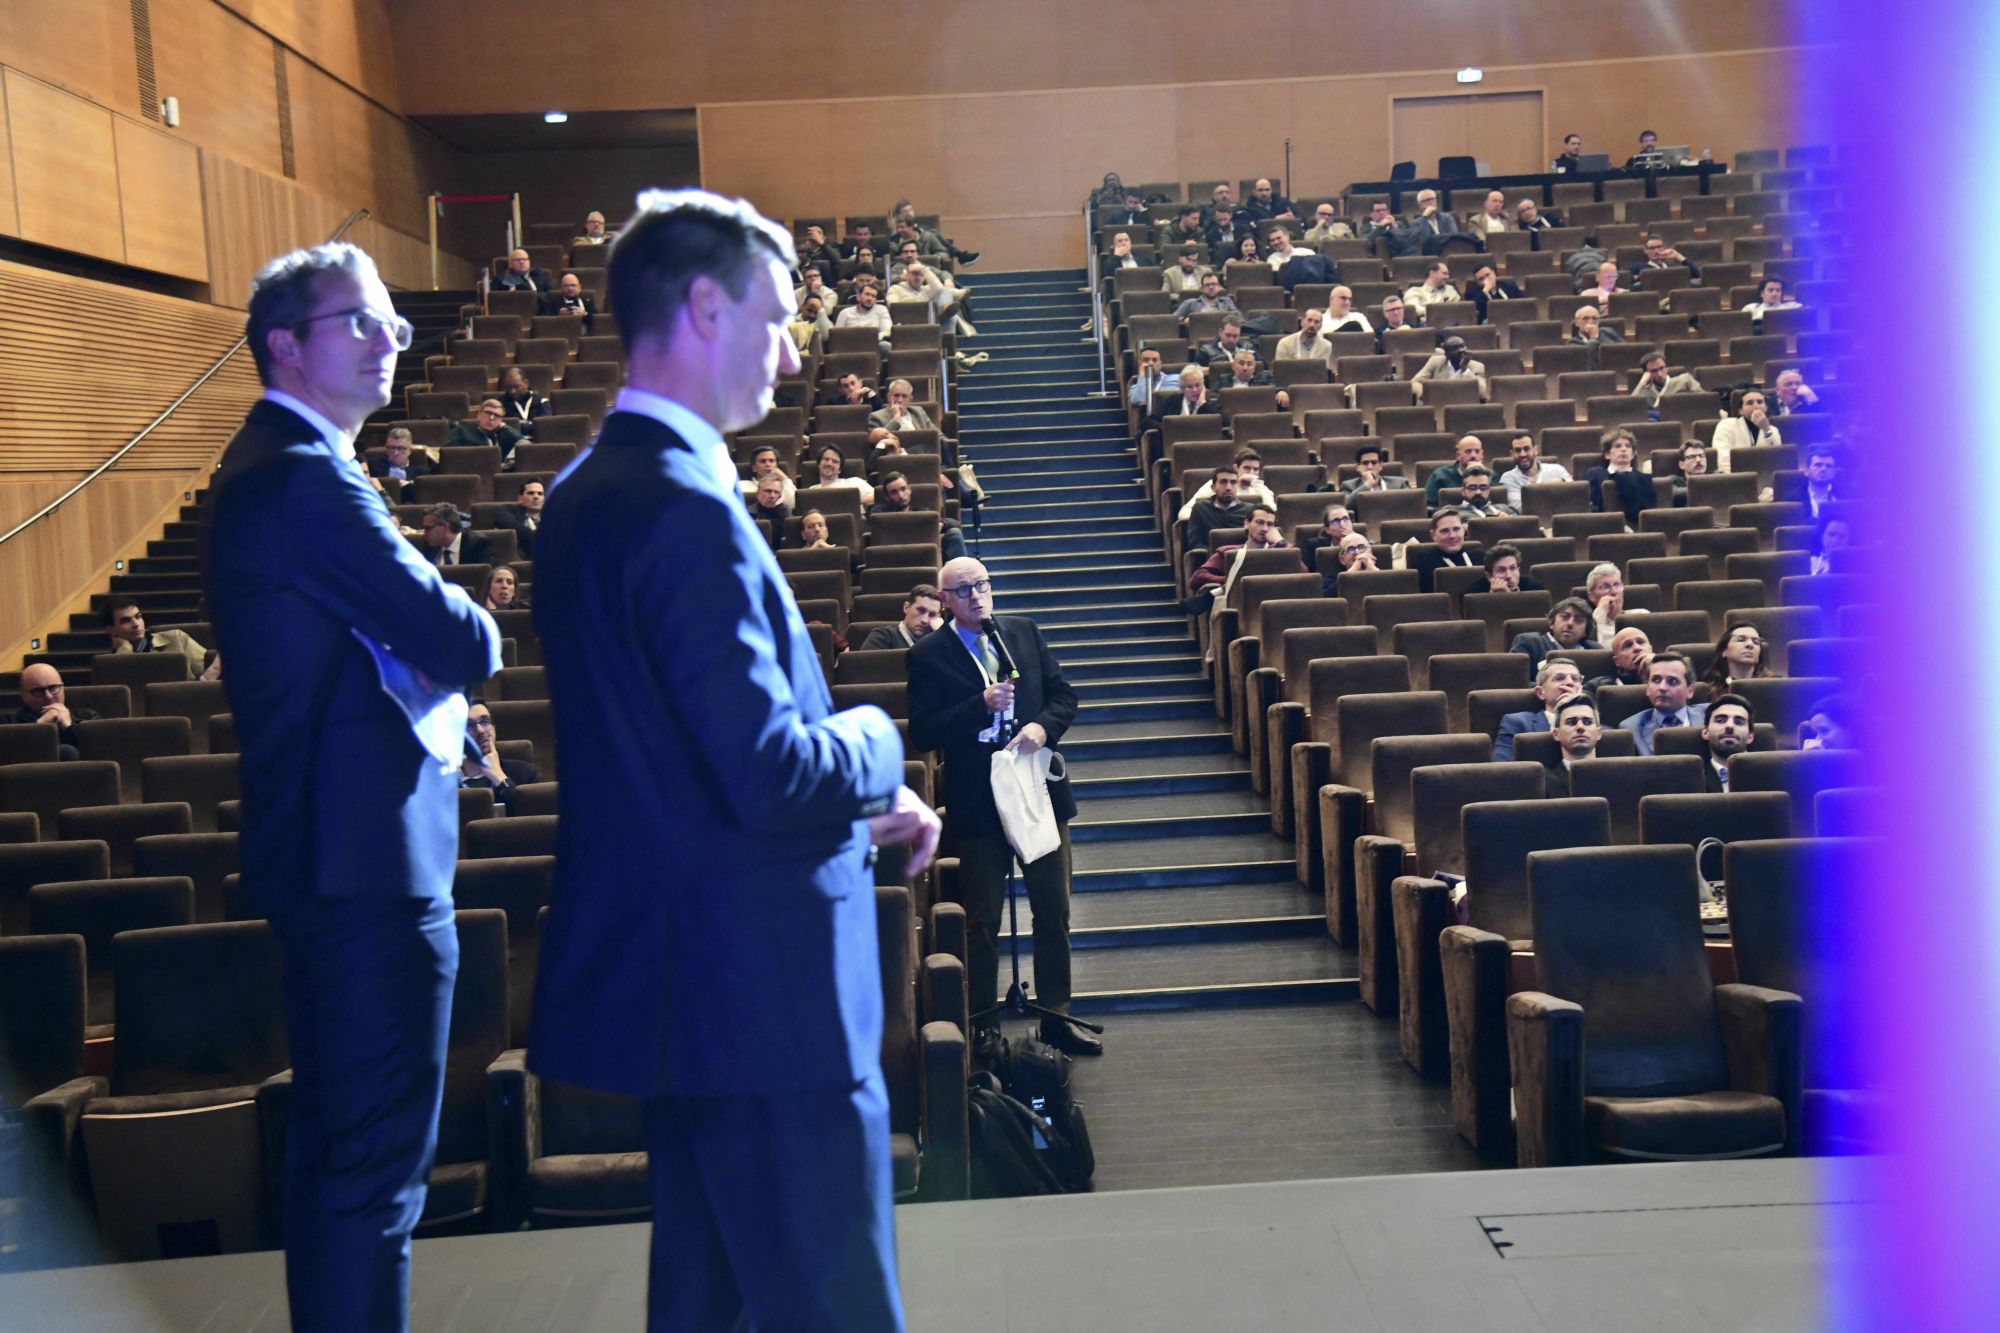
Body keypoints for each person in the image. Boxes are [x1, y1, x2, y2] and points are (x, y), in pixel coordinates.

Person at [529, 191, 937, 1330]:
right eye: (777, 318)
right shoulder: (683, 507)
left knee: (703, 1306)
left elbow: (671, 766)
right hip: (767, 994)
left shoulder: (582, 492)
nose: (795, 352)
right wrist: (880, 738)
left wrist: (849, 807)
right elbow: (767, 770)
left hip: (690, 992)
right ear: (706, 307)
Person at [201, 242, 502, 1330]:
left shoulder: (273, 466)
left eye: (394, 324)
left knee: (340, 1159)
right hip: (365, 864)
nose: (388, 341)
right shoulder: (305, 477)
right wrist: (444, 609)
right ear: (285, 343)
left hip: (333, 857)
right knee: (373, 1173)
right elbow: (467, 641)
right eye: (360, 321)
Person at [907, 557, 1093, 1059]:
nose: (976, 596)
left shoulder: (1022, 632)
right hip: (979, 799)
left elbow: (1064, 695)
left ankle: (1056, 1017)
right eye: (964, 589)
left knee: (1053, 910)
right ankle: (984, 1028)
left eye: (982, 585)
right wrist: (979, 706)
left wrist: (1042, 728)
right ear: (946, 600)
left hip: (1036, 791)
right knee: (983, 921)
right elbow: (923, 731)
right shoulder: (928, 655)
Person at [1495, 657, 1587, 761]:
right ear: (1541, 692)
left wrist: (1578, 706)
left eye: (1575, 679)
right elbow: (1503, 766)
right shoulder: (1517, 723)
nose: (1570, 683)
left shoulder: (1597, 727)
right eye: (1559, 678)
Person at [1618, 651, 1707, 754]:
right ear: (1647, 688)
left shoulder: (1709, 716)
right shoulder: (1631, 728)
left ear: (1690, 691)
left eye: (1672, 681)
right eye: (1656, 680)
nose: (1662, 687)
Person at [460, 698, 539, 810]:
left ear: (494, 729)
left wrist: (500, 778)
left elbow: (532, 815)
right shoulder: (442, 783)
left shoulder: (525, 774)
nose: (480, 730)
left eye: (484, 722)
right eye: (469, 725)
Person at [104, 599, 214, 679]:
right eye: (126, 621)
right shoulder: (107, 663)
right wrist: (125, 649)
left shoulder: (176, 638)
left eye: (138, 617)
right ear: (111, 630)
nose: (136, 624)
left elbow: (208, 670)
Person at [872, 472, 968, 562]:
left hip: (924, 553)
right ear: (887, 497)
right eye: (894, 492)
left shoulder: (922, 511)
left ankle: (960, 572)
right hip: (893, 554)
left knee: (954, 533)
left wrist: (942, 523)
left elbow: (957, 524)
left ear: (909, 490)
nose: (900, 495)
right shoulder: (879, 512)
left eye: (903, 489)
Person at [13, 664, 98, 760]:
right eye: (38, 691)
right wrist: (40, 726)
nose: (49, 696)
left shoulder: (89, 717)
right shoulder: (10, 724)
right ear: (23, 696)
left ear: (63, 688)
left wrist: (68, 726)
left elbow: (99, 752)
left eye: (53, 688)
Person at [1586, 427, 1658, 526]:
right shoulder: (1596, 474)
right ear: (1607, 454)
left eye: (1628, 446)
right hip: (1605, 525)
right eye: (1618, 446)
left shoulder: (1644, 479)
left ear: (1633, 454)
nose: (1623, 449)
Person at [1509, 597, 1600, 672]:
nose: (1570, 623)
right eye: (1565, 617)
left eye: (1579, 620)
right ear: (1551, 622)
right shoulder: (1529, 643)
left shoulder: (1594, 650)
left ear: (1586, 631)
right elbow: (1517, 681)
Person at [1180, 447, 1274, 519]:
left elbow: (1271, 513)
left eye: (1255, 469)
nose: (1251, 473)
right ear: (1236, 468)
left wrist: (1257, 484)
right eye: (1247, 468)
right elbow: (1184, 512)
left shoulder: (1260, 487)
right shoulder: (1218, 484)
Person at [1540, 693, 1603, 797]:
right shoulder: (1542, 781)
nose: (1580, 727)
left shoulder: (1617, 776)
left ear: (1599, 733)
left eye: (1587, 722)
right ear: (1556, 734)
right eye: (1571, 722)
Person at [1408, 507, 1481, 593]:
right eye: (1445, 531)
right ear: (1433, 535)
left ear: (1464, 531)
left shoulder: (1480, 558)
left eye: (1456, 529)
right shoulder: (1423, 562)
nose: (1452, 536)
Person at [1185, 463, 1254, 552]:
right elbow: (1195, 542)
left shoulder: (1249, 510)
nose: (1228, 487)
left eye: (1233, 482)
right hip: (1210, 556)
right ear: (1213, 487)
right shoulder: (1200, 508)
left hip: (1241, 556)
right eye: (1223, 482)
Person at [1496, 432, 1572, 510]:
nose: (1522, 454)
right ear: (1512, 454)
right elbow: (1520, 508)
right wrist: (1547, 486)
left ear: (1535, 450)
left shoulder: (1557, 470)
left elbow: (1573, 497)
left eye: (1526, 449)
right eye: (1518, 450)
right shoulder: (1508, 478)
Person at [1711, 390, 1783, 468]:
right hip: (1735, 473)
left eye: (1759, 402)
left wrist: (1766, 429)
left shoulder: (1772, 430)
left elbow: (1777, 458)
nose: (1756, 406)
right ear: (1741, 410)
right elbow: (1722, 458)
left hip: (1766, 472)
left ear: (1766, 408)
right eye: (1750, 403)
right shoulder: (1727, 425)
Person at [858, 584, 943, 650]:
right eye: (921, 610)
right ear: (906, 607)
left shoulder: (938, 640)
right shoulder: (882, 637)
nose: (925, 620)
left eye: (932, 615)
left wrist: (942, 633)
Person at [1698, 694, 1756, 791]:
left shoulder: (1771, 775)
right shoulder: (1693, 779)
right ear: (1706, 732)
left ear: (1750, 737)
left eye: (1739, 722)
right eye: (1720, 720)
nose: (1729, 726)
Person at [446, 398, 526, 468]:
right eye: (488, 413)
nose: (491, 418)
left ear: (500, 420)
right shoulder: (462, 431)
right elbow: (448, 455)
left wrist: (505, 428)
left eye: (497, 415)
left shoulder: (503, 436)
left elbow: (524, 445)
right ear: (479, 415)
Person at [414, 502, 493, 568]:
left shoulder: (479, 544)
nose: (425, 534)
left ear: (445, 528)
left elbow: (489, 574)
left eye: (428, 528)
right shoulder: (427, 547)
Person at [866, 378, 939, 446]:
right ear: (889, 397)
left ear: (910, 400)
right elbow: (879, 442)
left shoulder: (918, 412)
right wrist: (896, 418)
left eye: (904, 396)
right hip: (895, 452)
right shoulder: (876, 417)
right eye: (896, 395)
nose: (900, 400)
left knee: (941, 442)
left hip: (922, 451)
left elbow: (937, 434)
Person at [1412, 335, 1488, 401]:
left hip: (1464, 404)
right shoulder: (1436, 361)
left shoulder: (1477, 366)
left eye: (1462, 346)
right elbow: (1415, 382)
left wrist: (1465, 369)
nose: (1461, 350)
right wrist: (1426, 396)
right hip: (1439, 402)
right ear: (1446, 354)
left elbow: (1483, 393)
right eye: (1455, 348)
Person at [1701, 624, 1773, 693]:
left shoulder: (1773, 687)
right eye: (1741, 640)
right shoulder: (1708, 691)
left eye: (1756, 642)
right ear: (1724, 651)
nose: (1750, 644)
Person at [1391, 189, 1462, 257]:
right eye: (1426, 200)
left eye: (1433, 199)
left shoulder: (1447, 217)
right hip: (1430, 255)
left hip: (1448, 252)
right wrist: (1424, 217)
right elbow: (1424, 240)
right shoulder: (1415, 223)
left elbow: (1455, 237)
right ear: (1420, 205)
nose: (1431, 202)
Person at [1584, 626, 1653, 695]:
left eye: (1641, 642)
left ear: (1651, 649)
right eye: (1628, 645)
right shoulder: (1598, 686)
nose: (1637, 648)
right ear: (1617, 661)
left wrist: (1655, 662)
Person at [1585, 561, 1642, 645]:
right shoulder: (1587, 625)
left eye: (1617, 585)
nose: (1614, 591)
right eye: (1605, 587)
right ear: (1592, 596)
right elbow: (1591, 647)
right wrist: (1601, 611)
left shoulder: (1640, 615)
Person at [1776, 445, 1840, 518]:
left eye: (1828, 466)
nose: (1823, 469)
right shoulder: (1791, 498)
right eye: (1818, 465)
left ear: (1833, 474)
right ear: (1806, 471)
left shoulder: (1844, 496)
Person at [1630, 353, 1704, 414]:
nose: (1659, 374)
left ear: (1666, 368)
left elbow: (1704, 399)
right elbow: (1631, 407)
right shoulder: (1644, 390)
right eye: (1654, 371)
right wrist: (1641, 383)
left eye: (1661, 368)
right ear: (1646, 373)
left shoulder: (1684, 380)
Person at [1425, 435, 1485, 510]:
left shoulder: (1492, 476)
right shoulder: (1440, 476)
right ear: (1458, 455)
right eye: (1468, 451)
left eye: (1477, 451)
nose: (1473, 455)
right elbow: (1428, 507)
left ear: (1482, 455)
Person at [808, 443, 875, 506]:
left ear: (839, 469)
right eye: (826, 459)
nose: (829, 464)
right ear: (819, 464)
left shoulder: (855, 482)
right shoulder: (811, 490)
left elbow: (877, 497)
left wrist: (852, 501)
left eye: (835, 461)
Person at [494, 478, 544, 558]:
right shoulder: (508, 510)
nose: (536, 496)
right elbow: (506, 523)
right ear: (521, 498)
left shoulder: (552, 514)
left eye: (540, 494)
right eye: (531, 493)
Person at [1300, 501, 1357, 569]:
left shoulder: (1363, 544)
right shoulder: (1314, 547)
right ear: (1327, 529)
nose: (1342, 524)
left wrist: (1354, 540)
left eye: (1345, 519)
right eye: (1336, 521)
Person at [1343, 441, 1411, 496]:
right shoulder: (1348, 486)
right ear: (1358, 467)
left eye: (1374, 462)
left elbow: (1411, 503)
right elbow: (1347, 505)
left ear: (1380, 466)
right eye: (1365, 463)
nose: (1370, 467)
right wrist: (1368, 484)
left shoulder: (1400, 483)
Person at [496, 366, 551, 432]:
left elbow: (545, 426)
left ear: (526, 383)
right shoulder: (500, 404)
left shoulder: (542, 402)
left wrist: (519, 426)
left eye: (516, 387)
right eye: (508, 388)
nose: (512, 391)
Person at [1172, 272, 1239, 326]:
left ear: (1219, 287)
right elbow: (1171, 320)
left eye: (1214, 284)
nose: (1211, 287)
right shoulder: (1190, 303)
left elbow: (1240, 320)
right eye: (1207, 285)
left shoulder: (1227, 301)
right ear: (1202, 289)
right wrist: (1184, 320)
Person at [1629, 235, 1701, 285]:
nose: (1656, 251)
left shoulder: (1674, 266)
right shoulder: (1638, 267)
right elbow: (1627, 280)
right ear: (1645, 251)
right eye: (1651, 248)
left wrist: (1678, 256)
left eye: (1659, 247)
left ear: (1664, 248)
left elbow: (1696, 275)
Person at [1127, 346, 1177, 416]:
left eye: (1154, 360)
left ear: (1160, 365)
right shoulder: (1135, 387)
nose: (1150, 363)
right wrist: (1142, 375)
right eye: (1146, 360)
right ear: (1140, 364)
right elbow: (1138, 400)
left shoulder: (1176, 379)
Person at [747, 472, 791, 547]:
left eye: (776, 492)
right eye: (768, 491)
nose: (772, 496)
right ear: (758, 494)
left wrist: (781, 510)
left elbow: (789, 539)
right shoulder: (746, 513)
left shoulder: (784, 513)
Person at [1480, 542, 1544, 593]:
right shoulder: (1477, 592)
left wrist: (1507, 596)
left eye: (1513, 568)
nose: (1509, 576)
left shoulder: (1534, 588)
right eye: (1501, 570)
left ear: (1518, 570)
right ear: (1489, 576)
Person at [1670, 440, 1710, 507]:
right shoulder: (1674, 481)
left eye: (1701, 456)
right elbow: (1670, 492)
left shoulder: (1717, 477)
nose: (1698, 460)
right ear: (1681, 464)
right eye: (1692, 457)